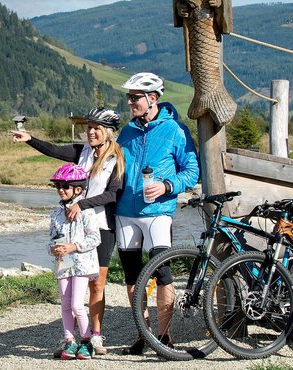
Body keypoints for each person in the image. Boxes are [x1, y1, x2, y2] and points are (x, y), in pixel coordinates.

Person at [11, 107, 124, 355]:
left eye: (97, 128)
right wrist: (30, 139)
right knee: (69, 285)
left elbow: (113, 194)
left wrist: (80, 204)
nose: (91, 132)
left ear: (109, 133)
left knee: (97, 284)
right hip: (72, 228)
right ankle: (70, 338)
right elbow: (53, 150)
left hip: (101, 225)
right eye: (89, 127)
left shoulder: (116, 159)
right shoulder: (82, 152)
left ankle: (94, 336)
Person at [114, 72, 200, 354]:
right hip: (125, 212)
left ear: (152, 99)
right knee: (131, 277)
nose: (130, 102)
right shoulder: (126, 131)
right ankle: (143, 334)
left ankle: (164, 337)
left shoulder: (175, 130)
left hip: (158, 212)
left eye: (135, 97)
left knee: (163, 275)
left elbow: (192, 171)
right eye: (129, 97)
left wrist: (166, 185)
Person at [46, 163, 101, 360]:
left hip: (82, 264)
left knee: (77, 304)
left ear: (78, 189)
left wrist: (73, 246)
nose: (61, 190)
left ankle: (87, 341)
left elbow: (95, 239)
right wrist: (52, 249)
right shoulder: (55, 214)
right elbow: (51, 239)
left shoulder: (87, 212)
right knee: (65, 305)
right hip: (63, 264)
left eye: (65, 186)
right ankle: (70, 341)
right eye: (58, 186)